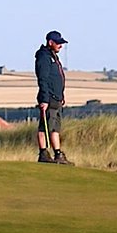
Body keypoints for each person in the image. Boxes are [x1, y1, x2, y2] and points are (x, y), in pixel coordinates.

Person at [34, 30, 73, 164]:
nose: (60, 46)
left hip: (57, 99)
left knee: (55, 128)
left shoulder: (53, 57)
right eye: (58, 43)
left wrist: (61, 96)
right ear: (50, 43)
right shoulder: (44, 57)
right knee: (44, 127)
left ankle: (58, 154)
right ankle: (43, 153)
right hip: (48, 98)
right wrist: (44, 99)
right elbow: (43, 79)